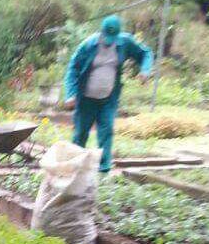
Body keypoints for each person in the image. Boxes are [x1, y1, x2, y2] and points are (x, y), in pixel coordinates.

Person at [63, 14, 153, 173]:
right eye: (107, 37)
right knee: (80, 134)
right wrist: (70, 94)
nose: (109, 41)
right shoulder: (88, 45)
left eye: (113, 38)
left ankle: (104, 169)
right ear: (102, 32)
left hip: (108, 99)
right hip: (86, 100)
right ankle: (74, 168)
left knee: (106, 132)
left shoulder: (124, 42)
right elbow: (73, 69)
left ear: (117, 35)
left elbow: (145, 53)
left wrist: (145, 70)